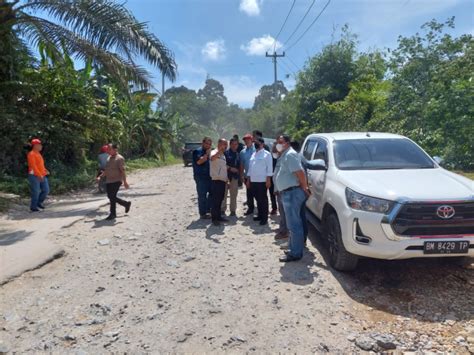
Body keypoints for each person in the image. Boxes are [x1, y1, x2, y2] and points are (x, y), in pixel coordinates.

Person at [274, 134, 310, 262]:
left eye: (281, 141)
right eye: (277, 141)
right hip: (289, 193)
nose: (278, 144)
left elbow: (300, 173)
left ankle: (295, 253)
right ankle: (293, 247)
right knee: (293, 224)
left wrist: (304, 188)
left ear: (287, 143)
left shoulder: (290, 155)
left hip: (292, 193)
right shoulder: (286, 154)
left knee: (294, 225)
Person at [99, 144, 131, 220]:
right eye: (108, 149)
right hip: (109, 180)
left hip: (117, 180)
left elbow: (123, 171)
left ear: (115, 149)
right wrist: (100, 176)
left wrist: (125, 182)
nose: (108, 151)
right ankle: (126, 204)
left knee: (112, 196)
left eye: (109, 149)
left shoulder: (119, 159)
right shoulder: (109, 158)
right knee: (110, 196)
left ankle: (113, 214)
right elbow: (107, 170)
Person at [247, 137, 273, 225]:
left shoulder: (267, 154)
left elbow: (269, 168)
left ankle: (264, 218)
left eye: (257, 142)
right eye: (254, 142)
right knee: (258, 199)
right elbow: (250, 168)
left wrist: (268, 179)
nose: (255, 143)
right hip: (253, 180)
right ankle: (260, 215)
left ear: (262, 144)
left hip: (262, 181)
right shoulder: (254, 154)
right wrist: (248, 179)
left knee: (263, 200)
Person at [27, 138, 50, 212]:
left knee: (46, 190)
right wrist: (39, 175)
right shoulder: (31, 154)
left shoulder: (38, 154)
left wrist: (45, 170)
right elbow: (33, 166)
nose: (41, 146)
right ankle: (33, 207)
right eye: (39, 145)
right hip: (34, 175)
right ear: (35, 145)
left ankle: (39, 203)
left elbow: (40, 165)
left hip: (42, 174)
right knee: (36, 191)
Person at [192, 137, 213, 219]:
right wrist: (207, 155)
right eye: (207, 143)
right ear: (203, 143)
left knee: (212, 194)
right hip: (200, 177)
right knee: (202, 195)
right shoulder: (197, 151)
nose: (208, 145)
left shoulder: (210, 152)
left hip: (209, 176)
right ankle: (202, 213)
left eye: (210, 144)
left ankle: (208, 210)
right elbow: (199, 161)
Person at [210, 138, 229, 226]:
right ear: (219, 144)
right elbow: (212, 158)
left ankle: (218, 217)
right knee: (215, 201)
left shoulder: (223, 155)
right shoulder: (214, 151)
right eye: (224, 144)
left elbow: (223, 168)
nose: (225, 146)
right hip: (216, 180)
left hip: (222, 181)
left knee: (220, 200)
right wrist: (219, 151)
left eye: (226, 144)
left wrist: (226, 179)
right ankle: (214, 219)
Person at [272, 143, 289, 240]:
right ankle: (283, 230)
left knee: (285, 213)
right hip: (279, 190)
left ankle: (285, 232)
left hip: (284, 190)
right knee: (282, 212)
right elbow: (277, 176)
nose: (274, 152)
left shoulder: (287, 158)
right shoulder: (280, 158)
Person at [222, 138, 240, 217]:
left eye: (236, 144)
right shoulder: (225, 153)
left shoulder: (238, 154)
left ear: (237, 145)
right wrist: (230, 168)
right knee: (224, 194)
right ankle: (222, 209)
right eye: (232, 144)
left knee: (234, 194)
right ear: (230, 144)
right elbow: (222, 164)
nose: (234, 146)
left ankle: (233, 210)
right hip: (225, 177)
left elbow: (240, 166)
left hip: (235, 177)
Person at [239, 133, 256, 216]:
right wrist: (241, 175)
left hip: (257, 176)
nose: (246, 141)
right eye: (245, 140)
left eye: (248, 139)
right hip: (247, 176)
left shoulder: (256, 149)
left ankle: (261, 209)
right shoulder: (242, 152)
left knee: (259, 193)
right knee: (249, 193)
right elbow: (242, 165)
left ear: (251, 140)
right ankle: (251, 208)